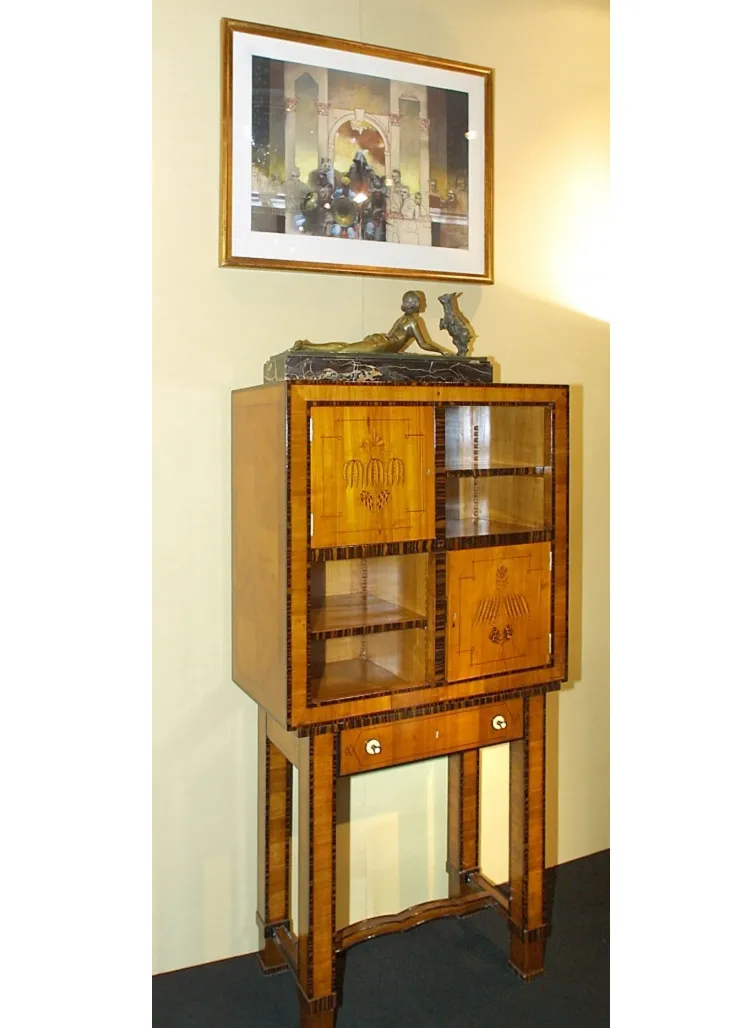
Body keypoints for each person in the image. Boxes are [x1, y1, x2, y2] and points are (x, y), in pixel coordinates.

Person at [291, 290, 452, 354]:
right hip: (379, 345)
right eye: (419, 301)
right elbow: (423, 344)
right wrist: (441, 351)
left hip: (380, 340)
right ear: (415, 304)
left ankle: (307, 346)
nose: (421, 304)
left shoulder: (402, 319)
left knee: (345, 347)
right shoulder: (412, 322)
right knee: (343, 351)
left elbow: (392, 337)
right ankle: (306, 346)